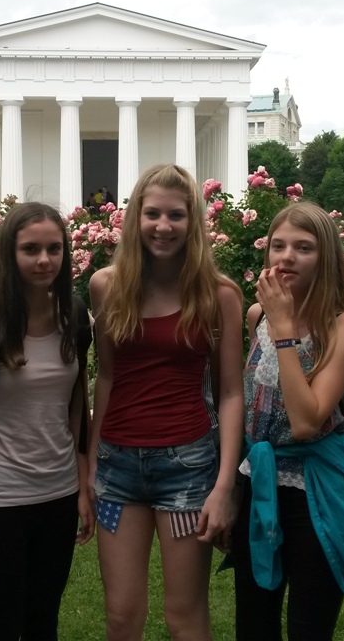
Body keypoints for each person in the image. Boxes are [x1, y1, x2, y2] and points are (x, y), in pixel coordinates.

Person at [89, 163, 244, 640]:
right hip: (117, 469)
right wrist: (91, 465)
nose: (163, 226)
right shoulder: (106, 286)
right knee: (121, 616)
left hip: (187, 469)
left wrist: (224, 485)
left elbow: (231, 392)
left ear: (192, 222)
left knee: (184, 615)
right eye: (152, 213)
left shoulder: (219, 295)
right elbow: (107, 376)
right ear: (135, 217)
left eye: (176, 215)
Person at [0, 202, 94, 640]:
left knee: (42, 623)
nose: (44, 260)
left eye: (54, 248)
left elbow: (76, 409)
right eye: (31, 249)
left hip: (59, 495)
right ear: (9, 253)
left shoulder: (76, 318)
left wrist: (83, 488)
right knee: (0, 627)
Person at [230, 201, 344, 641]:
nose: (287, 257)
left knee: (309, 625)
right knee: (254, 621)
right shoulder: (256, 316)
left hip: (316, 488)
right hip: (260, 481)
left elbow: (307, 420)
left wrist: (284, 330)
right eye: (278, 246)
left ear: (325, 258)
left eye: (303, 248)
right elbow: (252, 404)